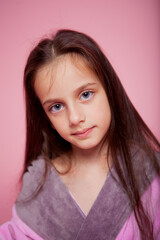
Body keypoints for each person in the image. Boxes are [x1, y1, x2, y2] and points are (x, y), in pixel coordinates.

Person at [0, 29, 160, 240]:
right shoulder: (38, 188)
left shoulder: (150, 172)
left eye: (85, 94)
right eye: (56, 107)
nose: (74, 118)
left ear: (109, 90)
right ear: (46, 117)